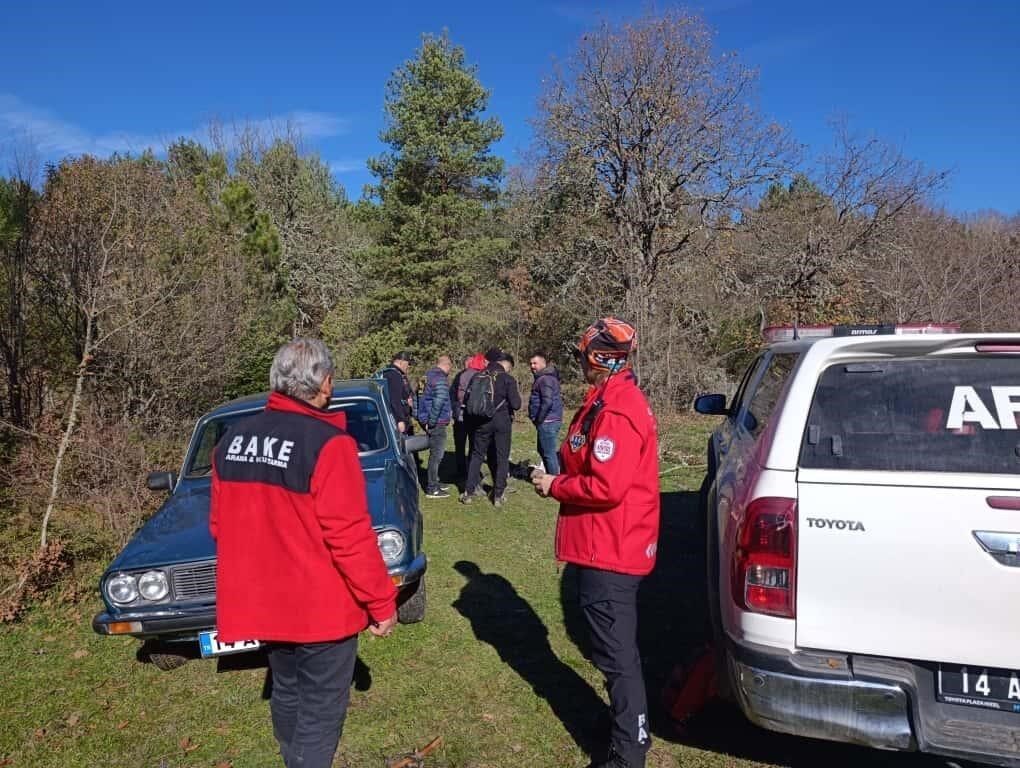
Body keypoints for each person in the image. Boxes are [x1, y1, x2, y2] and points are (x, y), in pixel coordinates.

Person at [210, 338, 397, 768]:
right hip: (319, 607)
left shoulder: (230, 442)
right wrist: (381, 601)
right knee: (319, 708)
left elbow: (221, 527)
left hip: (265, 603)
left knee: (287, 688)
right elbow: (349, 535)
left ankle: (293, 758)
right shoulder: (329, 444)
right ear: (326, 384)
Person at [532, 318, 660, 768]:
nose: (579, 364)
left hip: (613, 548)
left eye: (583, 356)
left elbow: (606, 486)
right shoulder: (606, 398)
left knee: (617, 656)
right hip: (604, 544)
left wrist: (555, 485)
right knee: (613, 650)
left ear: (599, 360)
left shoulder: (619, 408)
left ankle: (629, 752)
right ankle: (624, 727)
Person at [460, 348, 521, 507]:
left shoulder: (477, 376)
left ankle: (468, 492)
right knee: (502, 457)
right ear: (503, 364)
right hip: (502, 422)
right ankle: (498, 496)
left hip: (481, 421)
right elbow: (516, 404)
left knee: (477, 455)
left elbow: (467, 399)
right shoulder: (507, 379)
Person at [418, 354, 453, 498]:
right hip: (437, 422)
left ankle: (434, 482)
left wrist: (421, 418)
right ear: (447, 365)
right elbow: (438, 403)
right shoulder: (441, 380)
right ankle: (432, 488)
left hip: (429, 420)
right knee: (436, 456)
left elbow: (416, 398)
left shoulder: (426, 377)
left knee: (435, 454)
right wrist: (431, 421)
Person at [450, 353, 486, 481]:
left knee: (466, 445)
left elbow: (453, 394)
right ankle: (467, 472)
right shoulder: (476, 376)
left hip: (464, 416)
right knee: (467, 445)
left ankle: (466, 471)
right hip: (466, 417)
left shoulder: (464, 375)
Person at [528, 350, 563, 476]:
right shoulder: (545, 378)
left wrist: (539, 419)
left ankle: (554, 481)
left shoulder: (545, 379)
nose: (532, 366)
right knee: (543, 449)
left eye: (535, 363)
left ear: (543, 364)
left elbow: (547, 402)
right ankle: (551, 475)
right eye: (531, 364)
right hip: (548, 420)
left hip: (547, 421)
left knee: (548, 453)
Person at [379, 351, 415, 434]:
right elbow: (395, 400)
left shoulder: (390, 373)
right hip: (397, 421)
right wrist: (400, 420)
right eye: (408, 363)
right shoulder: (394, 375)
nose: (409, 366)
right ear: (401, 362)